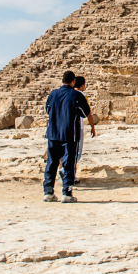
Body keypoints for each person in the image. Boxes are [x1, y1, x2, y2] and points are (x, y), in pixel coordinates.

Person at [44, 70, 92, 203]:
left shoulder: (53, 94)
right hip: (70, 135)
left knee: (51, 163)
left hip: (53, 134)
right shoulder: (76, 95)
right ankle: (67, 193)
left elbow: (48, 110)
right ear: (73, 82)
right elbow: (84, 113)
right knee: (69, 163)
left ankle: (48, 192)